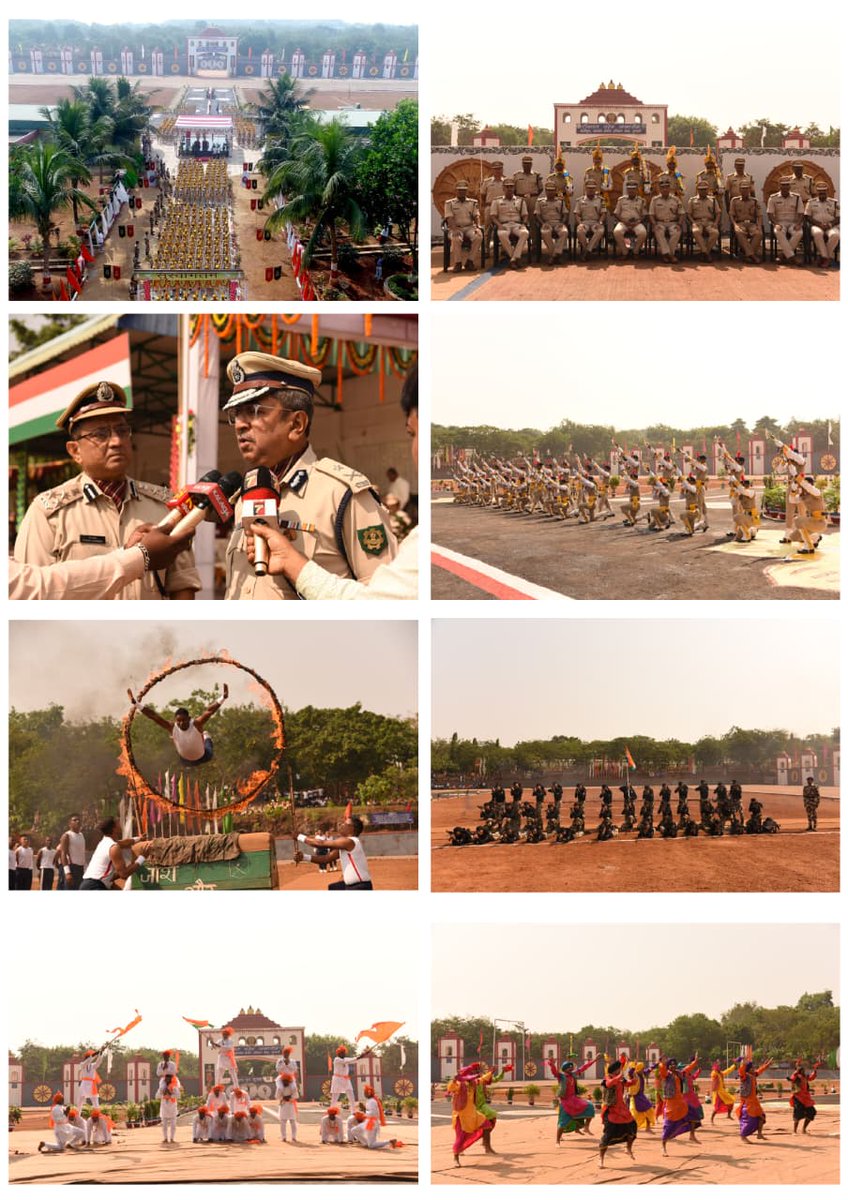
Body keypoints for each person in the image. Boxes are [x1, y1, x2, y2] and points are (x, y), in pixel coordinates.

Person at [223, 353, 396, 600]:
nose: (240, 424)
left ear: (296, 424)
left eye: (254, 411)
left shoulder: (342, 494)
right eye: (236, 414)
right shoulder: (245, 496)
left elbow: (386, 599)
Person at [13, 382, 200, 600]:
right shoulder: (49, 513)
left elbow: (182, 585)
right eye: (101, 434)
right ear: (75, 451)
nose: (116, 441)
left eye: (122, 431)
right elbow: (31, 592)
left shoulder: (166, 507)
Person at [129, 686, 228, 766]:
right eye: (178, 721)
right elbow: (154, 716)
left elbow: (209, 711)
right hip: (185, 760)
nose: (181, 723)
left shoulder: (196, 724)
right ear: (175, 720)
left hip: (204, 756)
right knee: (175, 748)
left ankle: (206, 736)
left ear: (189, 718)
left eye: (183, 720)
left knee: (208, 744)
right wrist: (136, 704)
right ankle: (183, 739)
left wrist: (223, 698)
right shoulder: (172, 727)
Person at [295, 816, 373, 890]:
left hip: (359, 887)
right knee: (333, 888)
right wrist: (304, 857)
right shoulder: (346, 845)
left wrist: (299, 836)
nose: (341, 825)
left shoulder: (350, 841)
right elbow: (326, 859)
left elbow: (320, 844)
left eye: (345, 824)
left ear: (352, 828)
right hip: (351, 886)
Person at [80, 817, 146, 890]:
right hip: (95, 886)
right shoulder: (113, 848)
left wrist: (139, 838)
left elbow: (124, 842)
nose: (121, 825)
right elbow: (124, 874)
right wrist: (142, 857)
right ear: (114, 828)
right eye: (118, 823)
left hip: (88, 884)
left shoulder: (105, 842)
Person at [446, 1065, 493, 1166]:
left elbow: (483, 1079)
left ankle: (486, 1145)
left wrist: (491, 1072)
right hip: (461, 1116)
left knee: (487, 1124)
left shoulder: (473, 1083)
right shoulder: (460, 1084)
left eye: (472, 1075)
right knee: (460, 1138)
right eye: (470, 1075)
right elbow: (450, 1087)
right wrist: (454, 1080)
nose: (472, 1077)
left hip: (473, 1114)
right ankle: (456, 1158)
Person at [598, 1058, 637, 1168]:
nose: (621, 1071)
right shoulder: (607, 1078)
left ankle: (628, 1148)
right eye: (619, 1069)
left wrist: (634, 1076)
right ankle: (601, 1159)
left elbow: (630, 1083)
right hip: (611, 1110)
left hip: (622, 1109)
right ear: (615, 1070)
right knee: (608, 1135)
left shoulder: (620, 1079)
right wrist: (619, 1076)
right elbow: (609, 1084)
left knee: (632, 1128)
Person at [659, 1055, 700, 1155]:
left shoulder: (679, 1074)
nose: (673, 1066)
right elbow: (662, 1070)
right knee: (668, 1127)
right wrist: (662, 1064)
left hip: (681, 1102)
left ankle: (692, 1135)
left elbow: (688, 1068)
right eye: (671, 1064)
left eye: (674, 1064)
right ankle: (663, 1147)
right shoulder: (666, 1075)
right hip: (671, 1104)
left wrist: (695, 1062)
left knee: (694, 1114)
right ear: (668, 1066)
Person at [444, 181, 483, 272]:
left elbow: (476, 216)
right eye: (460, 190)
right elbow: (449, 218)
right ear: (456, 191)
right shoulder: (449, 203)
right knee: (456, 238)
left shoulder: (473, 202)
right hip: (456, 227)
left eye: (464, 190)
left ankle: (470, 261)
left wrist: (477, 226)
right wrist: (454, 229)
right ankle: (458, 263)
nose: (462, 192)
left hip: (469, 227)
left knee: (478, 236)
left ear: (467, 191)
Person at [491, 179, 529, 269]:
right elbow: (493, 216)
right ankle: (516, 258)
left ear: (514, 188)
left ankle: (513, 259)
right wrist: (499, 225)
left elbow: (525, 215)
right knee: (502, 234)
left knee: (525, 233)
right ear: (503, 188)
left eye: (511, 186)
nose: (509, 188)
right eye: (507, 187)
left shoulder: (521, 201)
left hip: (517, 224)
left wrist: (523, 224)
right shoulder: (496, 201)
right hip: (504, 225)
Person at [552, 1060, 595, 1141]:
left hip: (574, 1099)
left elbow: (583, 1067)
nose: (571, 1069)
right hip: (565, 1101)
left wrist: (594, 1060)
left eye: (572, 1068)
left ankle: (586, 1127)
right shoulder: (561, 1076)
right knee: (562, 1120)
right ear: (565, 1069)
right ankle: (558, 1140)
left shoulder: (573, 1074)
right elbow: (554, 1072)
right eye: (569, 1068)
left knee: (589, 1106)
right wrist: (551, 1064)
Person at [767, 178, 805, 264]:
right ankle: (792, 257)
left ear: (790, 186)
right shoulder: (773, 198)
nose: (785, 187)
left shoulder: (797, 197)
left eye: (787, 185)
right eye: (783, 185)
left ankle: (783, 255)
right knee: (778, 231)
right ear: (779, 186)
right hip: (780, 222)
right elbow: (770, 213)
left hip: (793, 223)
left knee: (799, 233)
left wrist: (799, 224)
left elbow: (801, 213)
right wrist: (775, 224)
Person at [736, 1055, 773, 1141]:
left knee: (762, 1117)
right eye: (752, 1068)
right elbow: (741, 1071)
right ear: (748, 1069)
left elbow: (760, 1070)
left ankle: (759, 1134)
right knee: (750, 1121)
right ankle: (743, 1136)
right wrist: (743, 1064)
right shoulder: (744, 1076)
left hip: (754, 1102)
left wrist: (767, 1065)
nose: (753, 1069)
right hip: (748, 1103)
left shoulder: (753, 1075)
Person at [805, 181, 839, 267]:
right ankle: (826, 258)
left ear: (827, 192)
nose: (822, 195)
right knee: (818, 233)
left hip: (831, 226)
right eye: (820, 193)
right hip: (816, 226)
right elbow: (807, 216)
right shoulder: (811, 202)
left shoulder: (834, 203)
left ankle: (823, 257)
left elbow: (839, 217)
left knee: (835, 235)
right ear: (817, 192)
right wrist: (819, 224)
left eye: (824, 193)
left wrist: (829, 225)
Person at [649, 179, 683, 263]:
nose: (665, 189)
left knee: (676, 232)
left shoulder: (676, 199)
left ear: (670, 188)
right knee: (658, 231)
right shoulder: (655, 200)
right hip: (660, 222)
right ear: (659, 189)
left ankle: (667, 254)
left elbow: (682, 213)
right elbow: (651, 214)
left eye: (666, 187)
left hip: (673, 222)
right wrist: (654, 224)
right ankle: (670, 255)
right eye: (662, 187)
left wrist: (679, 224)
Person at [729, 181, 763, 262]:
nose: (745, 190)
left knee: (759, 233)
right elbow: (731, 215)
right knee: (739, 232)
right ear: (739, 190)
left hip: (752, 224)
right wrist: (735, 225)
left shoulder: (755, 201)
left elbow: (760, 215)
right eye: (743, 189)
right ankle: (752, 255)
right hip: (740, 223)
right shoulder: (734, 200)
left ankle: (746, 253)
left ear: (749, 190)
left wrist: (759, 226)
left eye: (747, 189)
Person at [536, 181, 569, 264]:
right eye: (548, 190)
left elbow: (565, 214)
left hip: (558, 222)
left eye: (552, 190)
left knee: (564, 232)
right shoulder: (540, 202)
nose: (550, 192)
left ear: (555, 191)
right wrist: (543, 223)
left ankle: (553, 255)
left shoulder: (560, 202)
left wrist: (562, 222)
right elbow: (537, 215)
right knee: (545, 232)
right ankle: (555, 254)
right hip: (546, 223)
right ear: (545, 191)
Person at [688, 180, 721, 261]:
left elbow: (718, 213)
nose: (703, 191)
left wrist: (716, 223)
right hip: (697, 222)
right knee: (696, 231)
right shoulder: (692, 200)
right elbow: (688, 214)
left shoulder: (713, 200)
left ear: (708, 189)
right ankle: (706, 253)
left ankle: (704, 252)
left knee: (715, 233)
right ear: (698, 190)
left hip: (710, 222)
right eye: (701, 189)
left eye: (705, 189)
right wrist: (693, 223)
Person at [613, 179, 647, 256]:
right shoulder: (621, 200)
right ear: (627, 190)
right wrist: (624, 221)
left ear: (637, 190)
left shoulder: (641, 201)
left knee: (643, 232)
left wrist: (638, 222)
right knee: (617, 231)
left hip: (637, 223)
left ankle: (636, 251)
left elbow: (644, 214)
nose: (631, 191)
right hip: (623, 222)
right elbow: (616, 213)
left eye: (633, 189)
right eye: (629, 189)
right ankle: (625, 251)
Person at [789, 1059, 822, 1134]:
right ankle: (794, 1131)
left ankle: (803, 1129)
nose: (804, 1071)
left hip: (806, 1099)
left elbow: (812, 1077)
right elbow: (792, 1078)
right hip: (798, 1098)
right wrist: (797, 1066)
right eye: (802, 1070)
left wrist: (815, 1069)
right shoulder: (797, 1076)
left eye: (804, 1070)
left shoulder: (805, 1077)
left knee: (812, 1112)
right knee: (798, 1114)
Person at [59, 814, 86, 889]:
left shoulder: (81, 835)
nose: (78, 821)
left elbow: (82, 853)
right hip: (71, 868)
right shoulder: (66, 835)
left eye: (79, 820)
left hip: (80, 869)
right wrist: (67, 872)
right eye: (74, 820)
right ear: (69, 824)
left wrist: (85, 868)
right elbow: (63, 854)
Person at [628, 1061, 656, 1133]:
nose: (643, 1070)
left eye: (643, 1069)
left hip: (641, 1096)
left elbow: (649, 1069)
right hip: (634, 1097)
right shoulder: (634, 1075)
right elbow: (630, 1072)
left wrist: (656, 1064)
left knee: (649, 1109)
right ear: (638, 1069)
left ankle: (648, 1127)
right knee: (634, 1114)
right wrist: (634, 1065)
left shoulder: (642, 1074)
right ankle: (631, 1129)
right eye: (642, 1069)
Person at [276, 1070, 299, 1141]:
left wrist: (290, 1098)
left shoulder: (293, 1088)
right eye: (284, 1081)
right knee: (283, 1121)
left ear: (289, 1081)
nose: (285, 1082)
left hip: (291, 1104)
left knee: (293, 1121)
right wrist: (283, 1098)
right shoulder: (279, 1088)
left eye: (287, 1081)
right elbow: (277, 1096)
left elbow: (296, 1096)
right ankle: (283, 1137)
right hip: (283, 1104)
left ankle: (294, 1136)